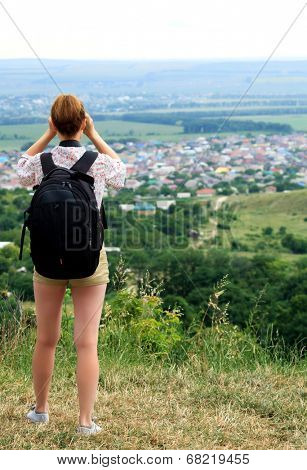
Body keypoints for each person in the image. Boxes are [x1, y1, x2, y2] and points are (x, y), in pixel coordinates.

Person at [15, 94, 126, 435]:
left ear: (53, 123)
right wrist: (93, 134)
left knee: (46, 339)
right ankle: (85, 422)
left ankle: (40, 410)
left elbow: (19, 169)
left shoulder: (42, 164)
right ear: (82, 122)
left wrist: (47, 135)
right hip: (90, 260)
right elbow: (120, 172)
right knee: (86, 343)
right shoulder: (98, 163)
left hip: (48, 259)